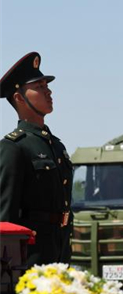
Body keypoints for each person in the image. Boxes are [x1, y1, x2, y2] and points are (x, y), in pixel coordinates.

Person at [0, 52, 73, 267]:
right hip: (30, 260)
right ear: (20, 97)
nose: (48, 91)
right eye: (39, 86)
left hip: (59, 253)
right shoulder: (14, 147)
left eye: (47, 86)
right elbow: (5, 218)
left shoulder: (56, 146)